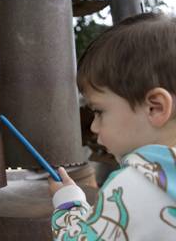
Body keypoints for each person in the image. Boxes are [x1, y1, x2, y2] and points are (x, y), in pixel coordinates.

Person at [48, 12, 176, 240]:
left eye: (99, 111)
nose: (94, 127)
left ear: (154, 108)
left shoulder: (132, 187)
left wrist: (69, 204)